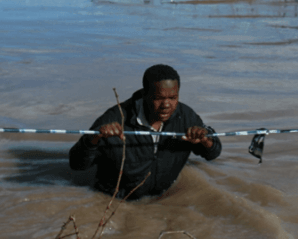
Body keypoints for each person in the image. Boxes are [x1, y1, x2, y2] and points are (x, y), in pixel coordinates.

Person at [69, 64, 221, 200]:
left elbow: (213, 154)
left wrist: (204, 139)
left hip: (163, 199)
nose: (166, 105)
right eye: (158, 98)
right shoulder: (115, 119)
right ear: (144, 94)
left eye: (173, 98)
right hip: (114, 201)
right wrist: (95, 138)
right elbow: (76, 164)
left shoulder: (186, 116)